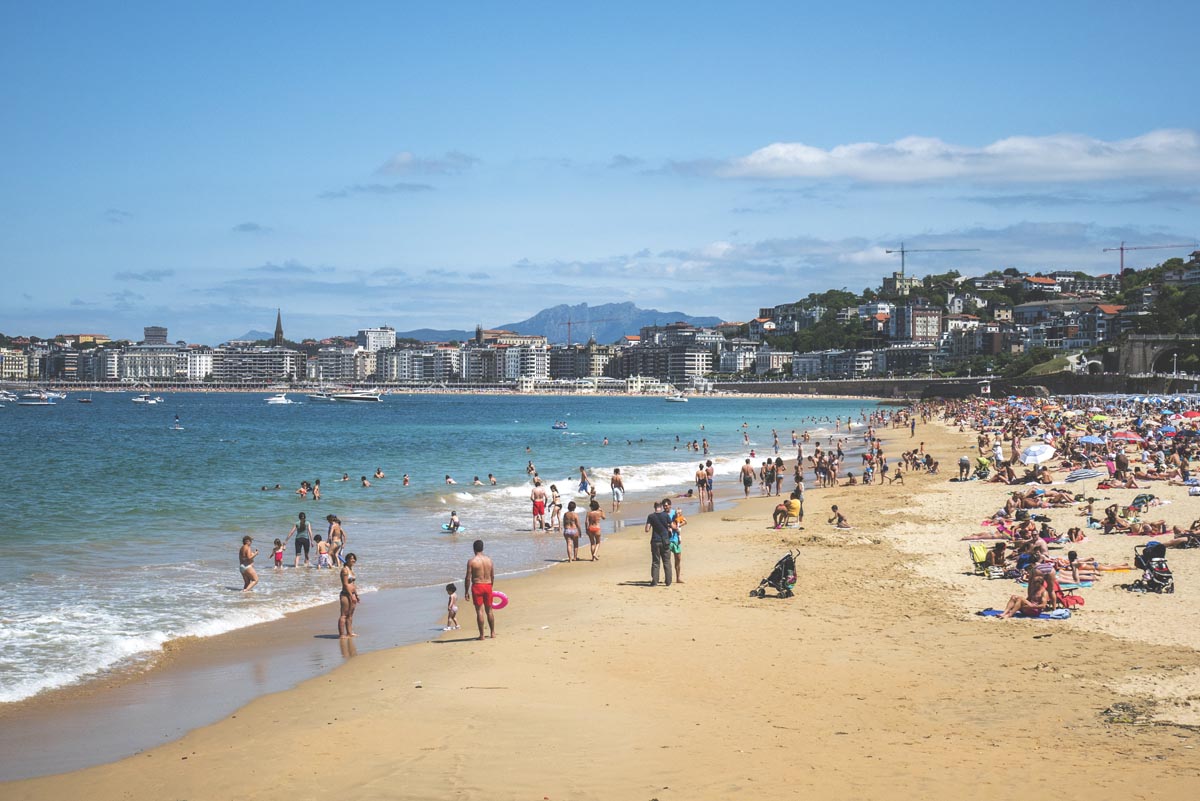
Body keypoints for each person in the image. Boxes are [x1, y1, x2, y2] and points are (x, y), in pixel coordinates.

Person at [464, 540, 496, 640]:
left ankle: (482, 635)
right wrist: (491, 586)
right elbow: (492, 576)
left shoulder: (472, 561)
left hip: (477, 586)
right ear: (482, 548)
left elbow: (468, 577)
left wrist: (466, 591)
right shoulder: (489, 560)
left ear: (474, 549)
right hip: (488, 585)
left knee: (479, 611)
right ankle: (492, 633)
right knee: (489, 611)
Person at [646, 498, 676, 586]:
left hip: (655, 540)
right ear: (661, 507)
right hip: (665, 540)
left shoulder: (651, 516)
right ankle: (668, 581)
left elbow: (647, 529)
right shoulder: (665, 515)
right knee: (667, 561)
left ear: (654, 507)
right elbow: (672, 526)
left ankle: (655, 581)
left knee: (656, 562)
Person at [338, 553, 359, 638]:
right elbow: (345, 584)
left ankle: (349, 633)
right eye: (351, 559)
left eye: (354, 559)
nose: (353, 560)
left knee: (350, 615)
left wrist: (356, 595)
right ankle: (342, 634)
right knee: (344, 615)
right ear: (347, 560)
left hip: (352, 594)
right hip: (346, 595)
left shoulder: (351, 570)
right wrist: (351, 595)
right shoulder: (345, 570)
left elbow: (353, 584)